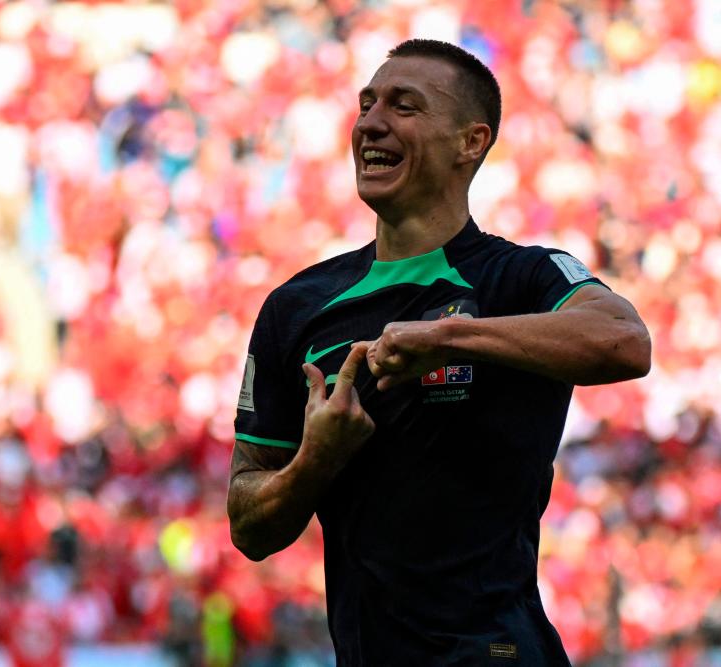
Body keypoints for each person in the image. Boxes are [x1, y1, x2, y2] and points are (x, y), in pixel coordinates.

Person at [227, 39, 651, 665]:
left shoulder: (520, 277)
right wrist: (314, 461)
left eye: (405, 107)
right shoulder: (296, 305)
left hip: (496, 652)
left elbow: (624, 341)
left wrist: (448, 338)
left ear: (470, 142)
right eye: (367, 103)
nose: (371, 122)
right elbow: (248, 525)